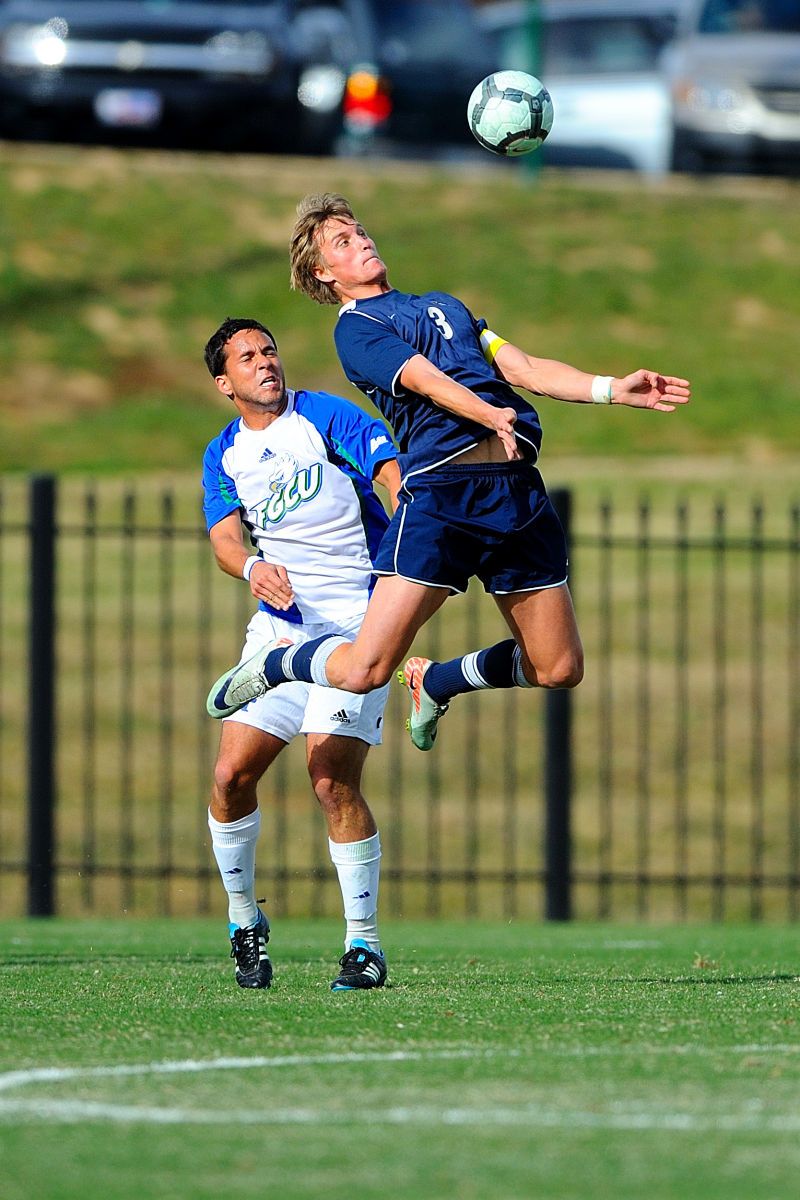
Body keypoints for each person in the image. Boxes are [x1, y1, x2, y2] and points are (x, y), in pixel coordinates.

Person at [207, 195, 690, 754]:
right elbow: (426, 379)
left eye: (360, 231)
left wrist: (610, 389)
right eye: (342, 242)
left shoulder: (446, 308)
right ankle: (279, 663)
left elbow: (525, 368)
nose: (361, 241)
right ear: (323, 274)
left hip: (515, 495)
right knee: (365, 669)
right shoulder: (357, 330)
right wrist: (488, 414)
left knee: (558, 667)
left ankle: (439, 681)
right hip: (443, 498)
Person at [202, 316, 399, 992]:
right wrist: (253, 567)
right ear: (224, 383)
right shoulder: (223, 453)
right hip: (282, 629)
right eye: (247, 358)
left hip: (357, 621)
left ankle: (364, 948)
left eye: (269, 350)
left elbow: (393, 478)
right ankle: (243, 921)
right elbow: (227, 539)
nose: (265, 363)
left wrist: (411, 563)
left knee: (330, 778)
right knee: (230, 778)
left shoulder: (324, 416)